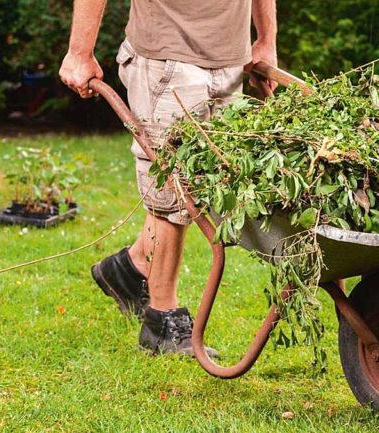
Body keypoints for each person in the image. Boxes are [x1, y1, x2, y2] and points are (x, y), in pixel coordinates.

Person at [59, 0, 278, 358]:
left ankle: (131, 267)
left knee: (198, 189)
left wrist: (265, 40)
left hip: (229, 60)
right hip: (167, 58)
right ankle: (161, 319)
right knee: (172, 192)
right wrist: (79, 51)